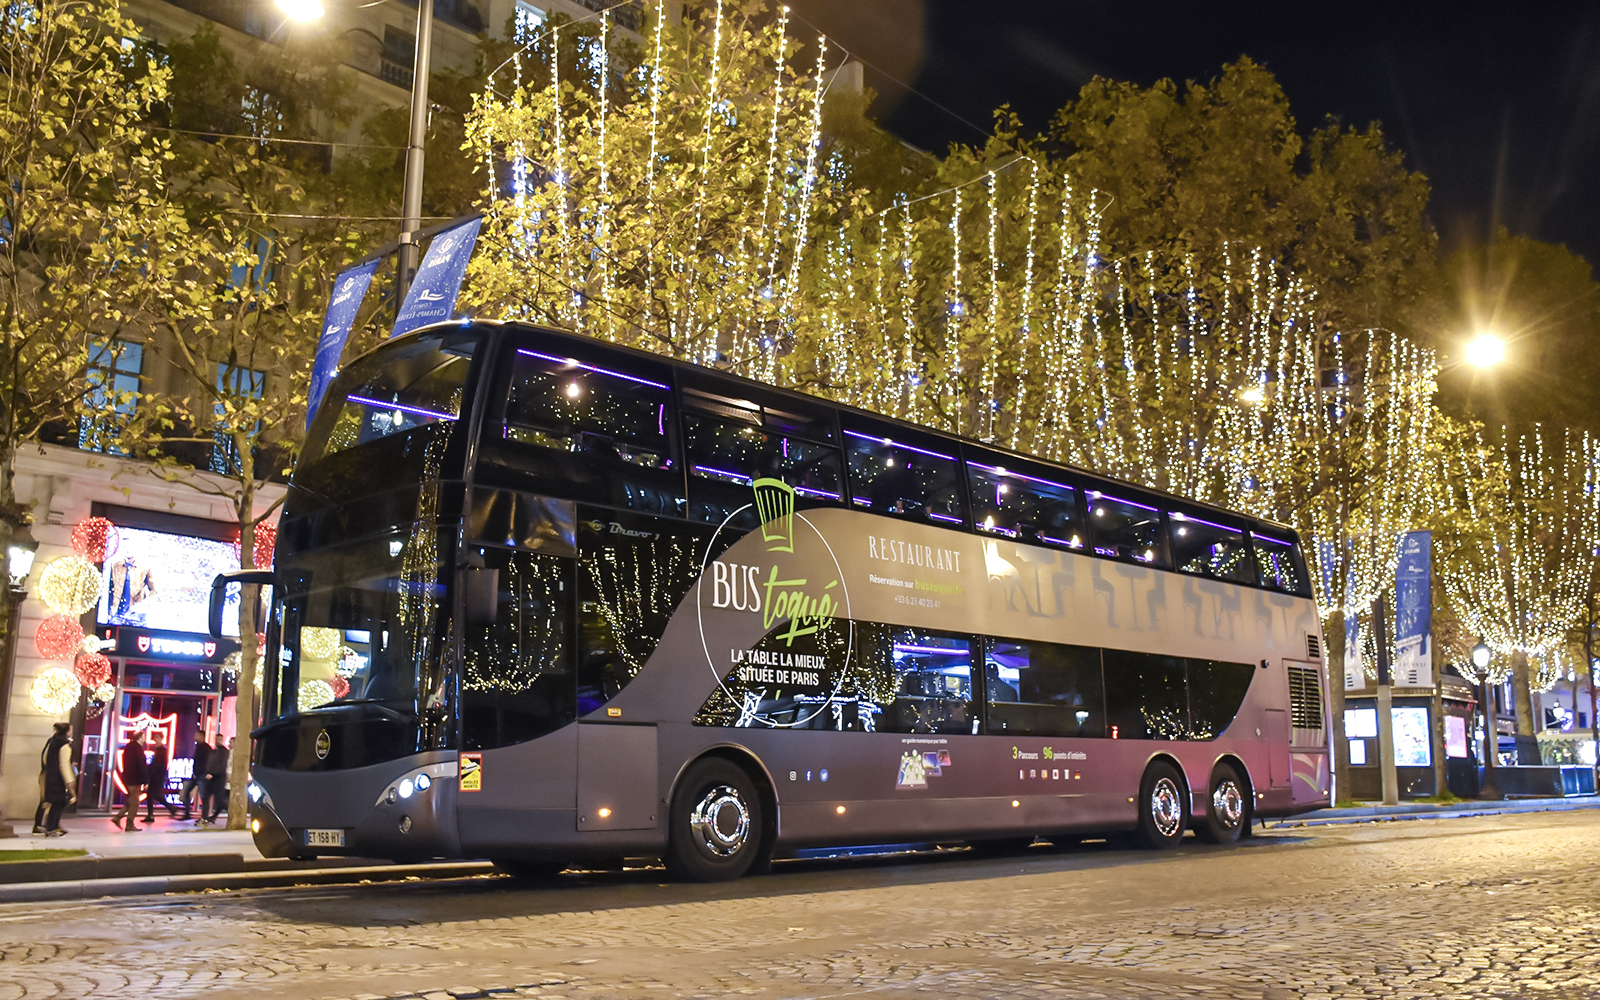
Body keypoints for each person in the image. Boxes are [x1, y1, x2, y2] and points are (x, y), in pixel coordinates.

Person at [32, 722, 75, 837]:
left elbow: (45, 757)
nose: (72, 732)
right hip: (57, 777)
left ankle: (44, 825)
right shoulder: (64, 745)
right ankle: (51, 827)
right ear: (66, 731)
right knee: (59, 802)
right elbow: (64, 765)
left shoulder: (52, 741)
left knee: (47, 800)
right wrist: (69, 780)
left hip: (48, 774)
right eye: (70, 730)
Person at [113, 729, 147, 832]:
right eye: (144, 737)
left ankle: (118, 818)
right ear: (140, 738)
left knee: (132, 800)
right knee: (134, 802)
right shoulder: (138, 750)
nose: (145, 739)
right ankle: (129, 823)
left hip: (128, 777)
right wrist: (146, 780)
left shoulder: (128, 748)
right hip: (135, 779)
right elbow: (141, 765)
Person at [181, 727, 210, 820]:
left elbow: (206, 762)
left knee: (204, 796)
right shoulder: (198, 747)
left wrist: (203, 772)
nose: (194, 737)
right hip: (196, 775)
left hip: (201, 775)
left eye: (196, 735)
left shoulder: (206, 748)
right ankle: (187, 813)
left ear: (201, 736)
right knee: (186, 792)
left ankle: (204, 816)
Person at [142, 730, 172, 823]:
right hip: (155, 775)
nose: (156, 739)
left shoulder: (162, 750)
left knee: (153, 794)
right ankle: (151, 814)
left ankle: (169, 808)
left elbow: (161, 764)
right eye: (155, 737)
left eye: (158, 737)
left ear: (161, 739)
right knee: (152, 795)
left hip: (158, 776)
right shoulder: (157, 749)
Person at [200, 737, 229, 825]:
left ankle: (232, 812)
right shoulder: (214, 751)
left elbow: (221, 765)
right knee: (206, 797)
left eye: (219, 739)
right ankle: (205, 818)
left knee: (219, 799)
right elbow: (211, 763)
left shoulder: (224, 751)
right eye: (216, 739)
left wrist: (212, 773)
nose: (218, 741)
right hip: (212, 777)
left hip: (219, 778)